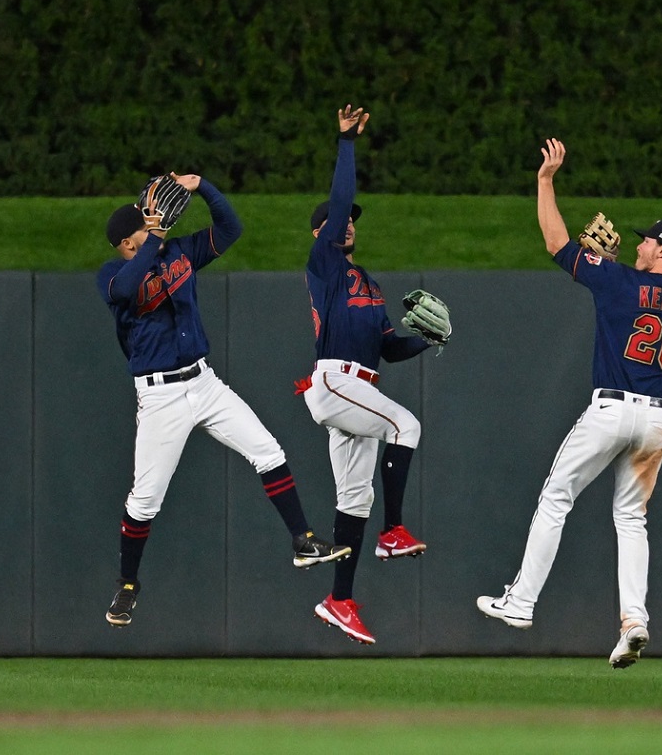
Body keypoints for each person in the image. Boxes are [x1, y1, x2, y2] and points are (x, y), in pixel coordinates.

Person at [476, 139, 662, 669]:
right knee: (631, 519)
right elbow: (650, 303)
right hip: (656, 420)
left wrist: (545, 181)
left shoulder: (620, 282)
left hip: (613, 409)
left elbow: (556, 241)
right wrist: (620, 268)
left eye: (649, 241)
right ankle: (634, 621)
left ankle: (521, 602)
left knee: (556, 497)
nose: (641, 242)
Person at [97, 173, 349, 628]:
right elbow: (124, 291)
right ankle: (128, 585)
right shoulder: (113, 273)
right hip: (160, 397)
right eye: (144, 224)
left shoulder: (178, 252)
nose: (157, 222)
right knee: (145, 500)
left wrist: (204, 188)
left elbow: (230, 229)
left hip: (204, 382)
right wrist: (154, 237)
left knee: (268, 451)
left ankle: (303, 540)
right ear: (127, 243)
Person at [296, 105, 447, 645]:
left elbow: (388, 348)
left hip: (359, 386)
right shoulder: (325, 265)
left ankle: (338, 599)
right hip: (335, 381)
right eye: (341, 219)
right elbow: (338, 203)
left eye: (354, 218)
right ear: (323, 232)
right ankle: (393, 531)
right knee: (406, 426)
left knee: (351, 499)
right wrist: (346, 144)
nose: (349, 221)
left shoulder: (369, 283)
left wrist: (426, 340)